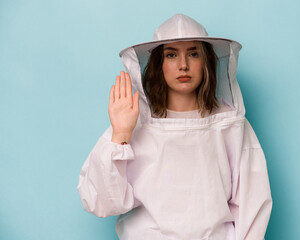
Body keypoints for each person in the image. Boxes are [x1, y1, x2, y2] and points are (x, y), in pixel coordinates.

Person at [77, 14, 272, 240]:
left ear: (206, 61)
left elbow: (252, 200)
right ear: (159, 64)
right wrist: (120, 134)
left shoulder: (230, 124)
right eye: (171, 54)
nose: (183, 65)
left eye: (193, 53)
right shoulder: (134, 124)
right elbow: (100, 202)